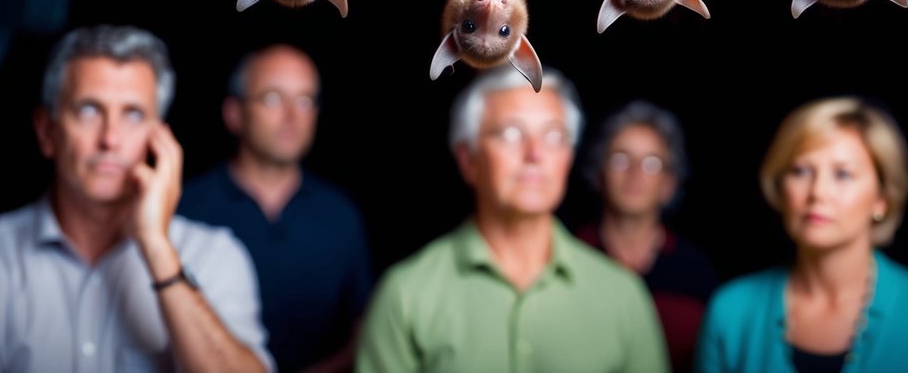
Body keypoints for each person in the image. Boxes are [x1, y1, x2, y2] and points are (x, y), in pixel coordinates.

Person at [0, 24, 273, 372]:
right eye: (89, 110)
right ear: (47, 132)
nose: (110, 139)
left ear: (160, 139)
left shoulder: (215, 257)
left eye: (133, 114)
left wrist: (157, 248)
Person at [356, 66, 671, 373]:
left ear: (568, 157)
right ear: (468, 159)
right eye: (510, 133)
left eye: (553, 136)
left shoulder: (623, 296)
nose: (535, 154)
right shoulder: (406, 296)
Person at [695, 96, 908, 373]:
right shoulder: (730, 311)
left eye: (843, 174)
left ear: (882, 198)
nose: (817, 192)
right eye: (800, 171)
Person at [178, 43, 372, 373]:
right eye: (272, 98)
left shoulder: (341, 215)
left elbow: (364, 328)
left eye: (305, 100)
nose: (292, 116)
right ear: (234, 113)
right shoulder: (186, 210)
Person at [576, 100, 718, 373]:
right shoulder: (569, 257)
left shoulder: (696, 270)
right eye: (620, 158)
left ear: (669, 183)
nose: (635, 173)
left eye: (652, 163)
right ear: (599, 173)